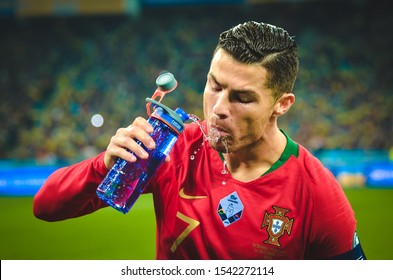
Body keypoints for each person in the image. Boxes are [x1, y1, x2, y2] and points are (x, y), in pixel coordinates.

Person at [33, 21, 366, 260]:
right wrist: (103, 165)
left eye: (242, 98)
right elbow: (46, 207)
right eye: (215, 86)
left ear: (282, 104)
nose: (218, 109)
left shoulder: (316, 194)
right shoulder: (171, 147)